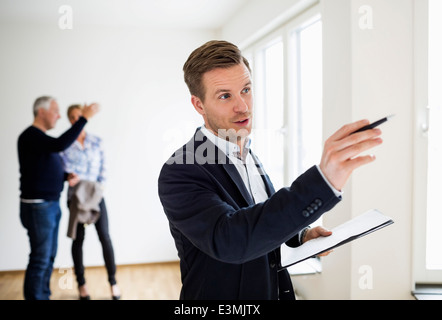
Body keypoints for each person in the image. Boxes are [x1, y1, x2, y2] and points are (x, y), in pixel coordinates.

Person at [157, 40, 383, 300]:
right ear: (199, 105)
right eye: (225, 95)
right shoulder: (181, 171)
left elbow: (259, 216)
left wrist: (300, 235)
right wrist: (323, 181)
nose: (242, 106)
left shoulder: (247, 152)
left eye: (246, 89)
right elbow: (232, 239)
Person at [18, 96, 99, 300]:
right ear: (41, 111)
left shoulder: (41, 139)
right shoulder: (31, 136)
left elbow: (40, 169)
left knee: (48, 257)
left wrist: (65, 176)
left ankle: (43, 295)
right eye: (55, 110)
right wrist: (84, 118)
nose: (58, 115)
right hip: (39, 207)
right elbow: (60, 144)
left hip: (49, 205)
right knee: (40, 259)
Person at [60, 104, 121, 300]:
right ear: (69, 120)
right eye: (73, 117)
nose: (77, 120)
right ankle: (82, 286)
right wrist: (68, 176)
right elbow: (64, 170)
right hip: (76, 198)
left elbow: (104, 168)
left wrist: (99, 189)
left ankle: (113, 283)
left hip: (96, 196)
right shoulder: (65, 144)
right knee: (78, 240)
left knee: (105, 236)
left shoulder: (96, 141)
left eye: (80, 116)